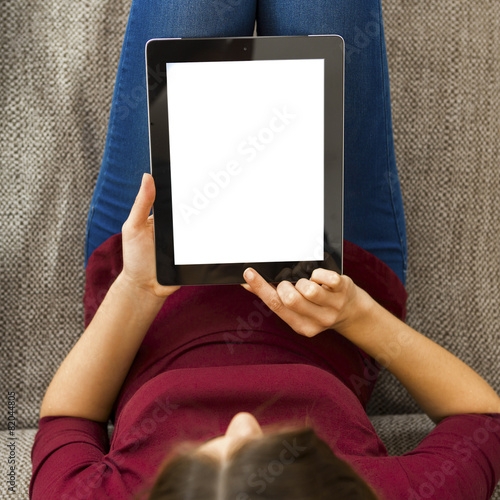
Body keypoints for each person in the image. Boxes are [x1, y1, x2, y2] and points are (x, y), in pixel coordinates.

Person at [30, 1, 500, 499]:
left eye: (214, 453)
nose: (241, 424)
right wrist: (358, 314)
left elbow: (68, 420)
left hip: (149, 277)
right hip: (334, 268)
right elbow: (483, 420)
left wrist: (135, 288)